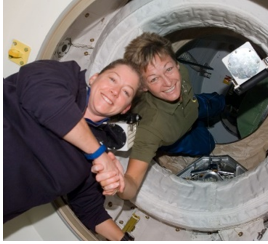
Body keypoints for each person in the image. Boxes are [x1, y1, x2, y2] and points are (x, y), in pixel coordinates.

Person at [4, 59, 138, 241]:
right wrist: (99, 155)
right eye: (113, 79)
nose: (115, 91)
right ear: (94, 78)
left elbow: (89, 207)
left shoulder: (99, 156)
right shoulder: (65, 75)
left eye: (126, 92)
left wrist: (124, 240)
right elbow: (42, 96)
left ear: (126, 108)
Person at [118, 32, 226, 201]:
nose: (168, 83)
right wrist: (119, 184)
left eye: (168, 69)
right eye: (154, 79)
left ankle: (228, 102)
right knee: (208, 144)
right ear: (143, 86)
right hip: (179, 136)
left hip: (193, 105)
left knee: (220, 102)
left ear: (176, 64)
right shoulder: (152, 129)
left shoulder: (181, 71)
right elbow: (131, 184)